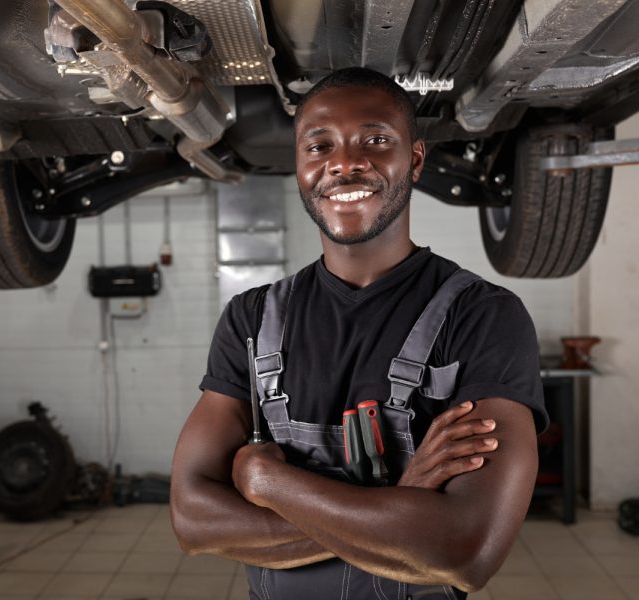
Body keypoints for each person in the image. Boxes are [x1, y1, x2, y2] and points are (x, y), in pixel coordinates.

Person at [170, 67, 547, 600]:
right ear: (299, 166)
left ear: (414, 160)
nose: (344, 163)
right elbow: (193, 521)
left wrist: (267, 484)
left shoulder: (484, 317)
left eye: (375, 140)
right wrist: (399, 501)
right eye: (319, 145)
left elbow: (466, 550)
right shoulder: (250, 319)